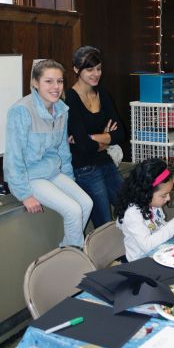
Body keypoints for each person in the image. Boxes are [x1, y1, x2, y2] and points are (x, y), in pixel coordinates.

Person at [3, 59, 93, 249]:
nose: (56, 87)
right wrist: (24, 194)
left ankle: (66, 250)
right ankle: (75, 257)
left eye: (59, 81)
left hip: (53, 171)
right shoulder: (21, 111)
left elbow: (62, 150)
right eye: (49, 81)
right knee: (73, 210)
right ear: (35, 83)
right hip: (31, 176)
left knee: (86, 203)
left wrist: (69, 180)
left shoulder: (61, 109)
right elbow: (14, 157)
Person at [65, 46, 125, 228]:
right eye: (89, 69)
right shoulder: (70, 98)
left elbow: (121, 134)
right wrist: (106, 138)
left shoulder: (103, 93)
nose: (96, 74)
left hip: (105, 161)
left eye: (98, 68)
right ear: (76, 69)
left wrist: (91, 137)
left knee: (131, 206)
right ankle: (111, 256)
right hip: (83, 168)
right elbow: (83, 147)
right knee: (105, 222)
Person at [114, 158, 174, 262]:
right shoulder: (132, 213)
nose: (168, 198)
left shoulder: (152, 203)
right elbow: (147, 246)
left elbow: (159, 227)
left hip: (159, 254)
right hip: (141, 262)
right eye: (164, 195)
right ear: (147, 193)